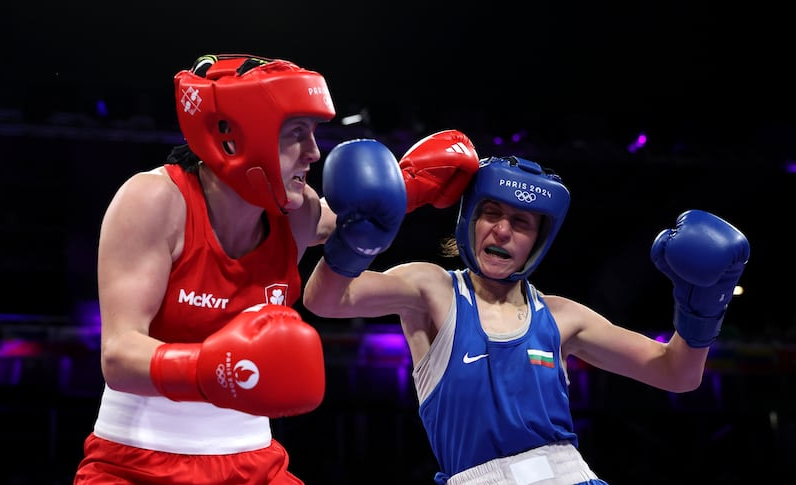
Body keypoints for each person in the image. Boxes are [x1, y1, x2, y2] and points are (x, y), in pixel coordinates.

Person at [302, 142, 751, 485]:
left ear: (537, 240)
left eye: (520, 223)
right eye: (491, 212)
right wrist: (358, 238)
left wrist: (702, 309)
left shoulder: (560, 316)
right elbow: (324, 300)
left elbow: (677, 373)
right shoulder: (432, 288)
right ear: (469, 219)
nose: (501, 229)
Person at [73, 53, 339, 484]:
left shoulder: (299, 213)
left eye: (313, 134)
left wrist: (413, 185)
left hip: (256, 462)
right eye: (296, 134)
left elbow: (356, 214)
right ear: (234, 137)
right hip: (137, 462)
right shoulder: (155, 201)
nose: (313, 153)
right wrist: (216, 369)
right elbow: (118, 354)